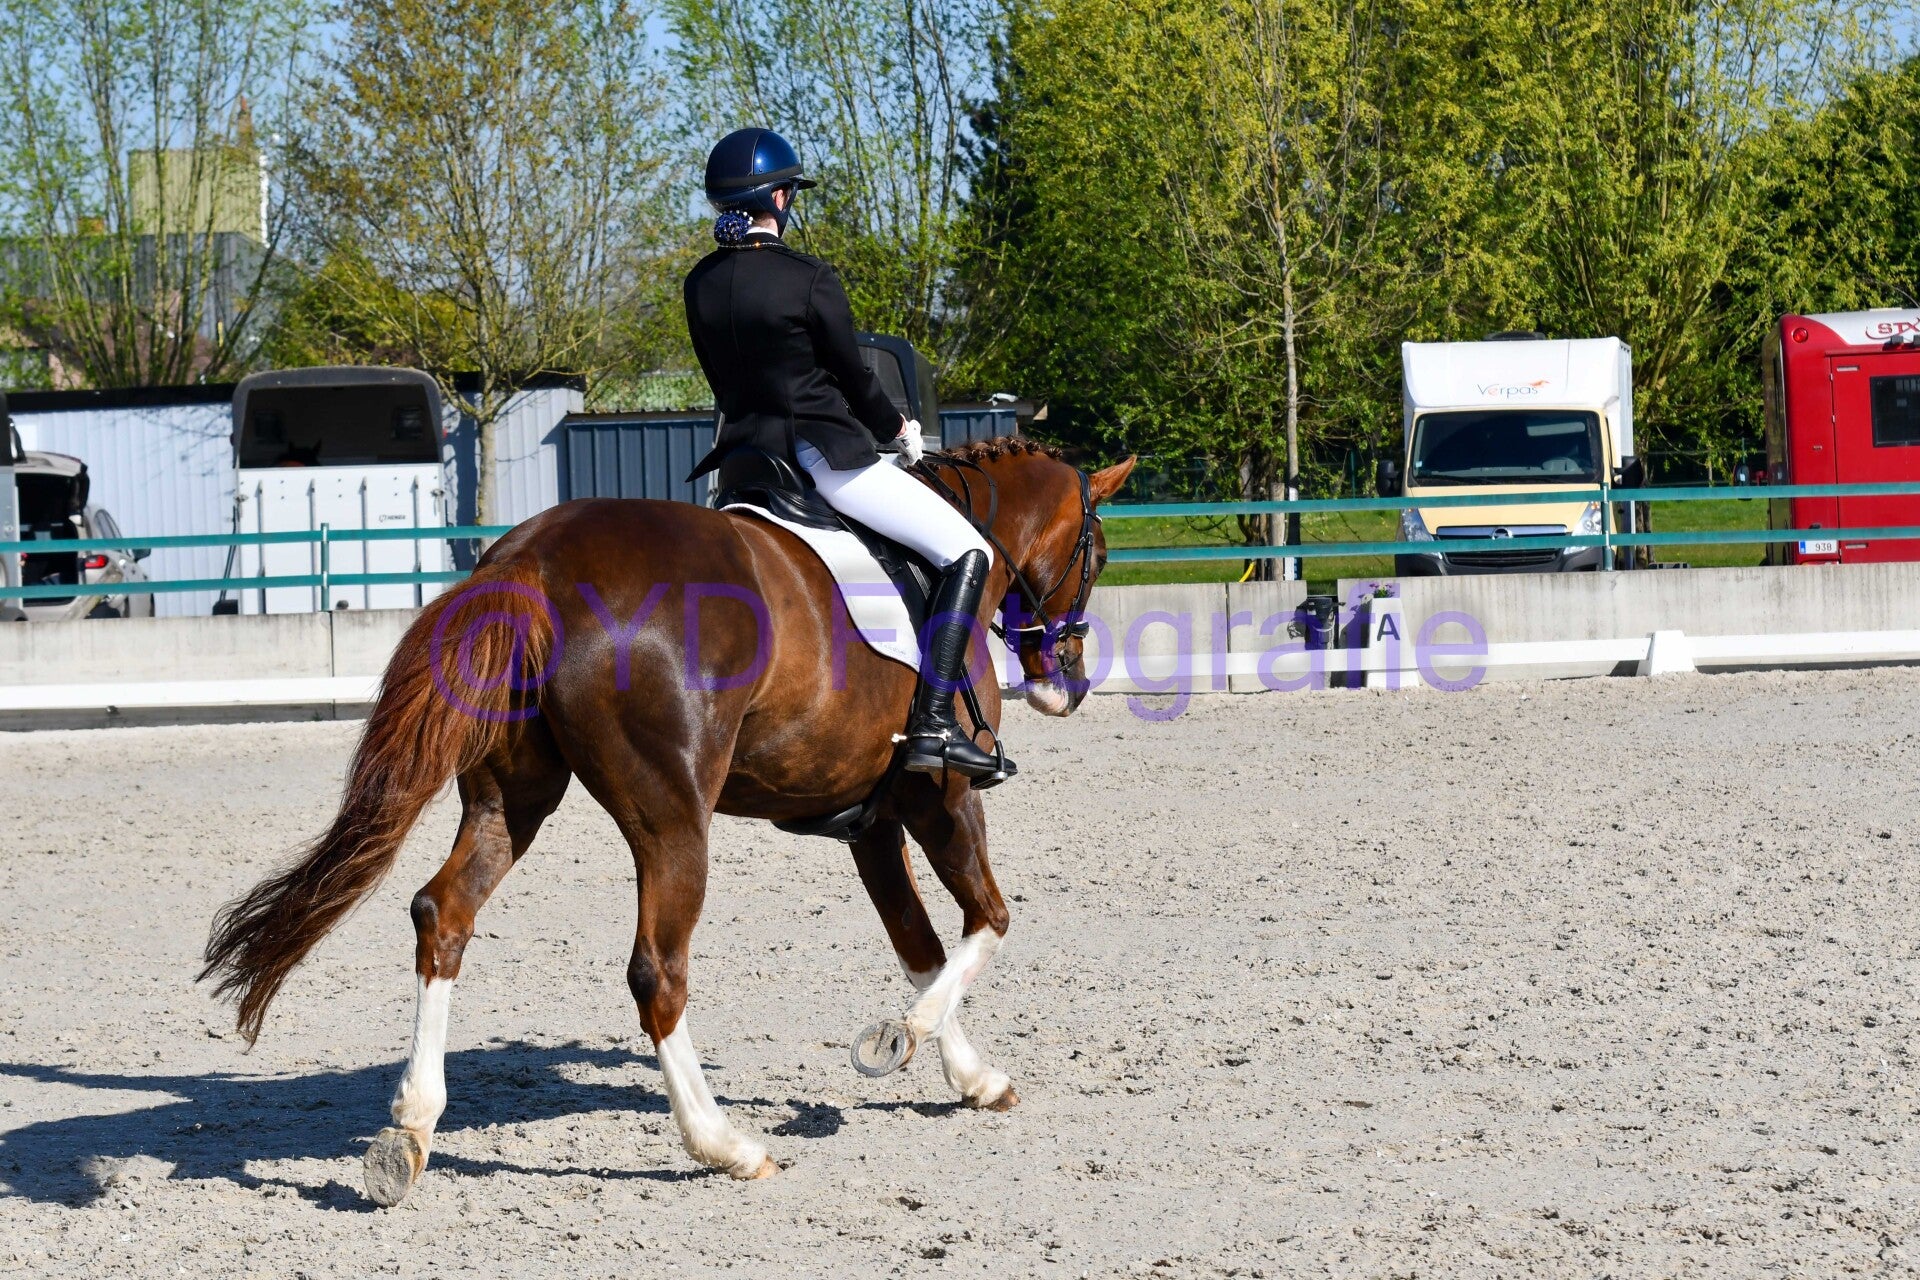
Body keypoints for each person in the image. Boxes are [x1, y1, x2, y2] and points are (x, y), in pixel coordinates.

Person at [683, 127, 1006, 781]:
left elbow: (726, 381)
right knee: (968, 550)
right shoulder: (808, 279)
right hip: (819, 458)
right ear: (779, 198)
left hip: (742, 467)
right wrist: (898, 428)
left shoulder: (700, 283)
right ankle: (935, 723)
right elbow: (853, 378)